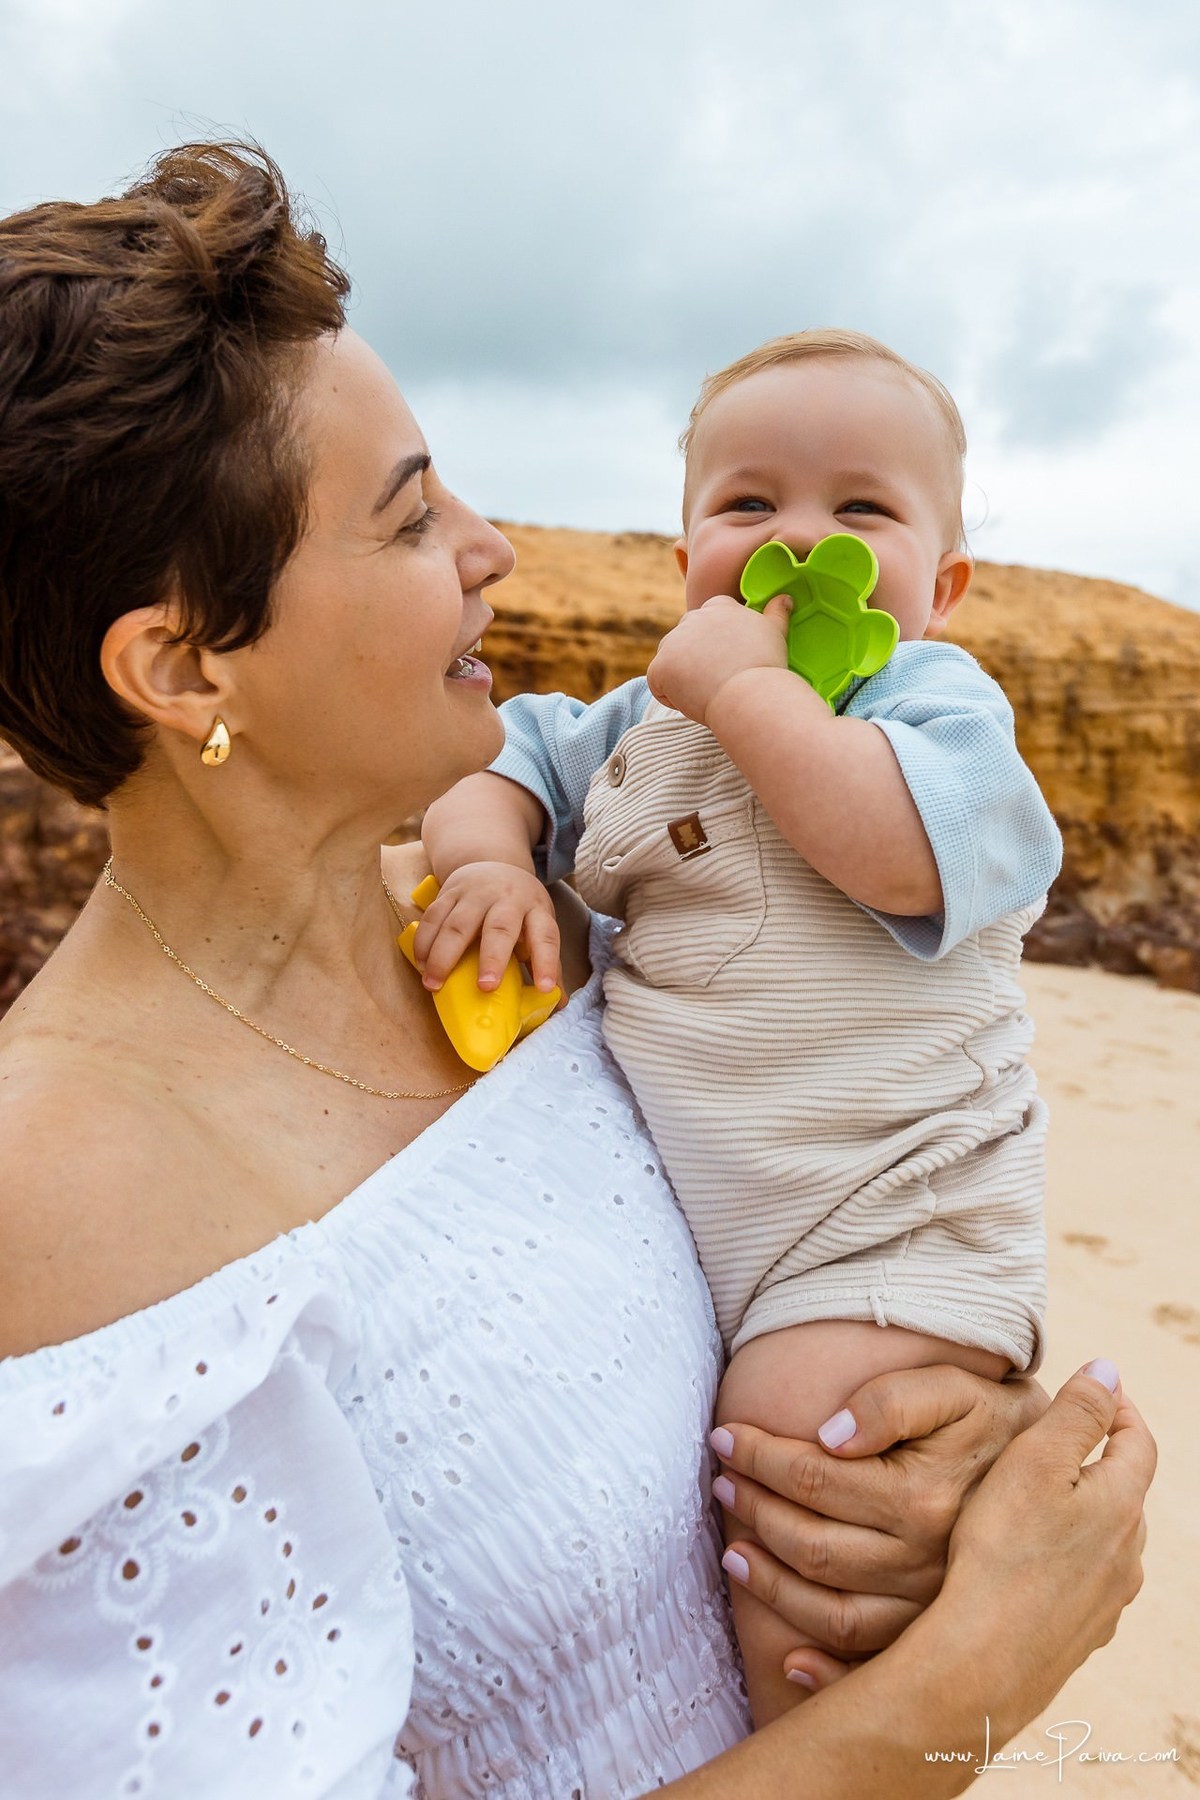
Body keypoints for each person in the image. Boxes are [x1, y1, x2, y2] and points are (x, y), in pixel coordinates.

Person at [0, 143, 1152, 1800]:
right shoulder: (61, 1228)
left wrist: (940, 1446)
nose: (497, 552)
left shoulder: (549, 917)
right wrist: (972, 1674)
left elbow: (817, 1133)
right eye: (411, 519)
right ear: (182, 666)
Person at [416, 329, 1063, 1723]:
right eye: (750, 505)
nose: (800, 547)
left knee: (798, 1477)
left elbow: (891, 853)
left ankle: (818, 1736)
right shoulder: (640, 719)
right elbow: (500, 765)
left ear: (941, 585)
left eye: (864, 510)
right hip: (712, 1228)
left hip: (884, 1223)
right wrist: (483, 857)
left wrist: (751, 690)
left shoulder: (936, 710)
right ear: (685, 561)